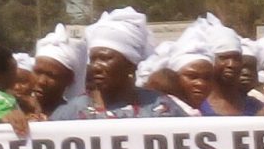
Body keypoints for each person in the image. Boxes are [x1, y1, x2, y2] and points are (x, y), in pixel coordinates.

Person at [51, 9, 189, 120]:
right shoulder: (70, 113)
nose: (96, 66)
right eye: (93, 59)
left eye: (106, 58)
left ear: (131, 64)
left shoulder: (161, 108)